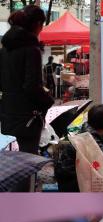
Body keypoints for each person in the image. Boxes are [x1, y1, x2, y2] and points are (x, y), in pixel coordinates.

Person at [0, 5, 54, 155]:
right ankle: (28, 180)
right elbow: (32, 86)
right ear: (37, 24)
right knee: (29, 158)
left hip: (8, 112)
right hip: (27, 116)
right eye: (42, 25)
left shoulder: (4, 50)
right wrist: (48, 101)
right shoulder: (32, 50)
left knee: (14, 159)